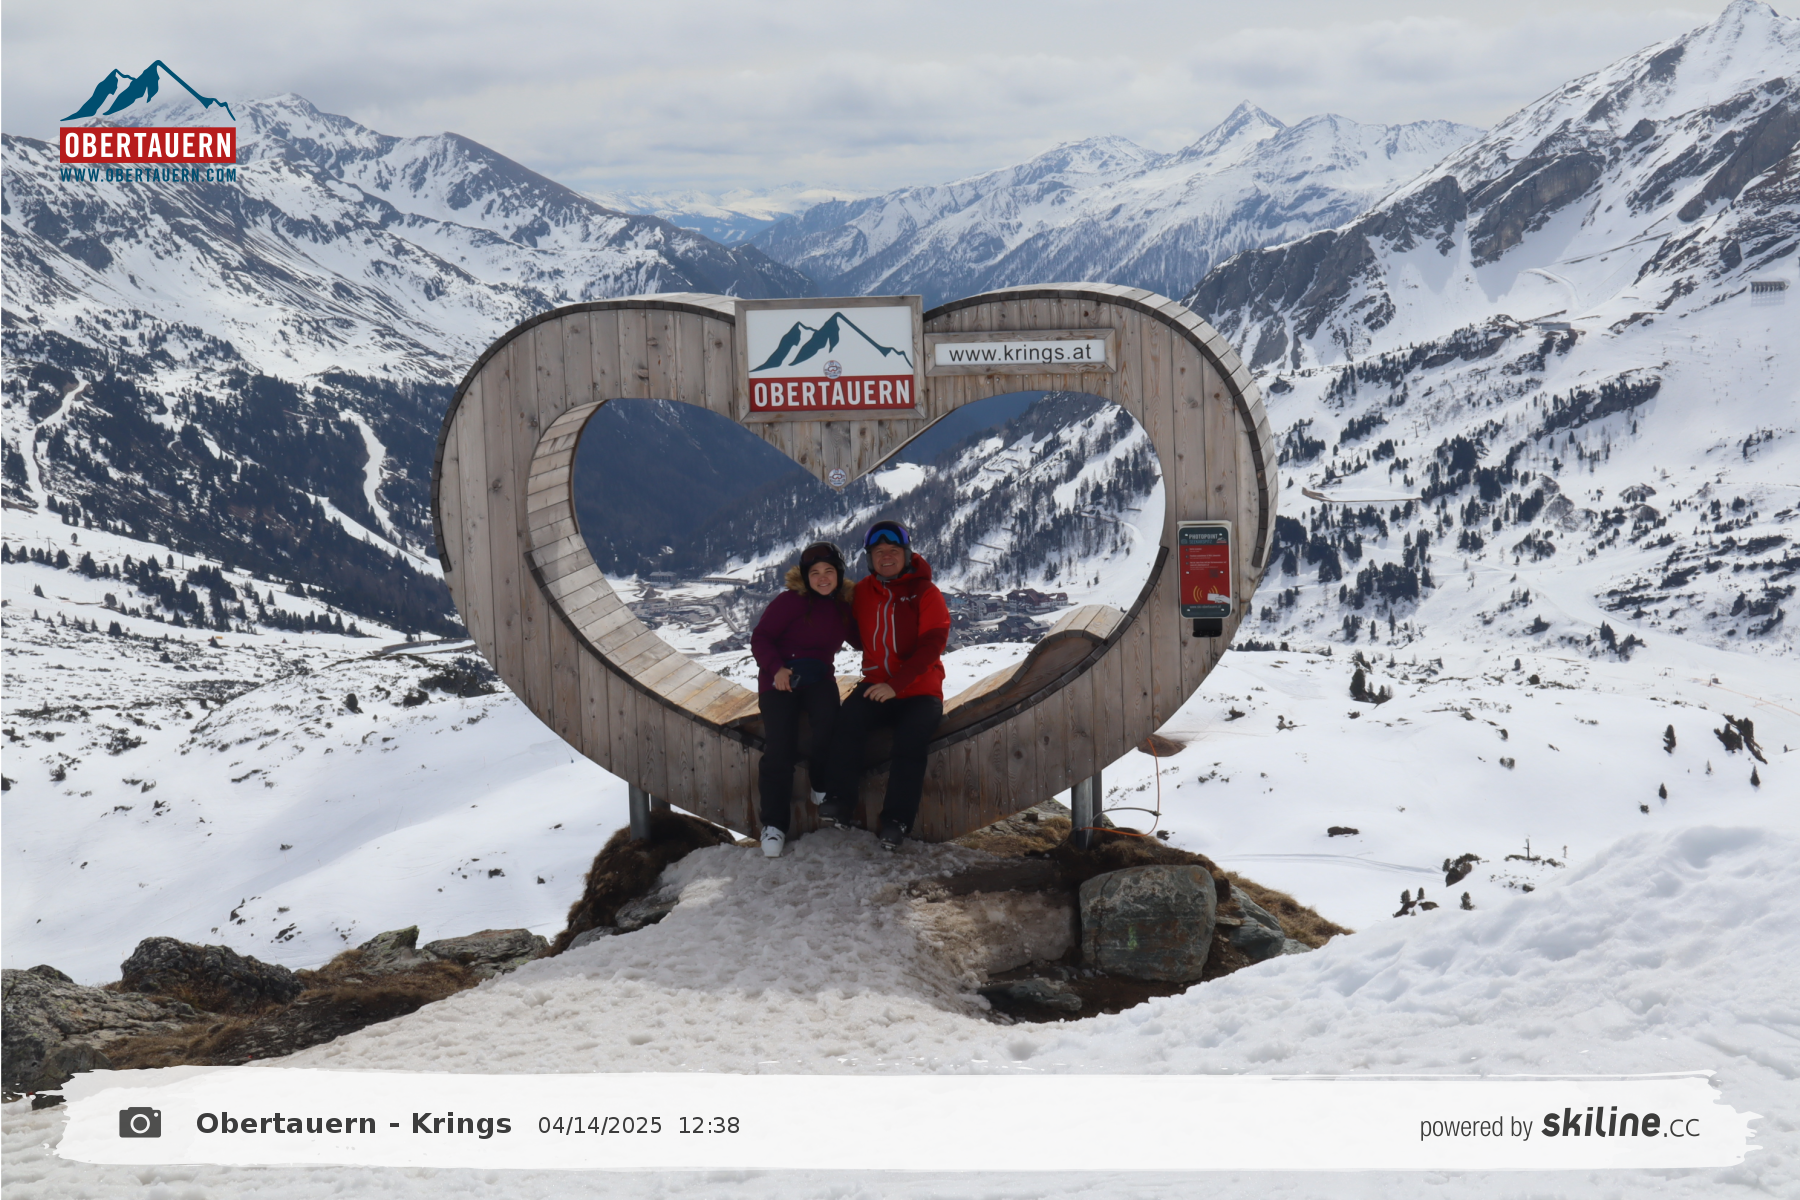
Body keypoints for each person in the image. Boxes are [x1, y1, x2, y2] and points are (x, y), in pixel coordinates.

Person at [819, 520, 950, 851]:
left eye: (893, 550)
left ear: (906, 554)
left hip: (920, 691)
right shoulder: (863, 592)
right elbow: (854, 634)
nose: (886, 557)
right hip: (877, 685)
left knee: (910, 743)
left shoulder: (926, 593)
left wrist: (897, 684)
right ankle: (839, 802)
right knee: (847, 721)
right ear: (869, 558)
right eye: (878, 552)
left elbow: (932, 645)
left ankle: (896, 821)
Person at [749, 542, 859, 858]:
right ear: (805, 576)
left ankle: (820, 783)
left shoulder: (842, 607)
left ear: (839, 574)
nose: (823, 578)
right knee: (779, 747)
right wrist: (776, 668)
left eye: (829, 571)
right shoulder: (790, 601)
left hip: (818, 678)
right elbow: (761, 637)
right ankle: (773, 824)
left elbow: (862, 639)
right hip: (780, 678)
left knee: (829, 722)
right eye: (815, 573)